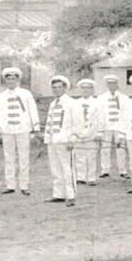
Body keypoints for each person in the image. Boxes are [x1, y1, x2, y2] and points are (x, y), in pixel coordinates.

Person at [0, 66, 37, 195]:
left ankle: (24, 185)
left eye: (14, 79)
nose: (11, 82)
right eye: (8, 79)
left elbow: (32, 110)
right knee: (9, 158)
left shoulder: (26, 93)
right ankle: (10, 185)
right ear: (5, 81)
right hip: (7, 130)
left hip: (23, 129)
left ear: (18, 80)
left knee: (24, 157)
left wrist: (35, 127)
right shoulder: (1, 96)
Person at [42, 75, 79, 206]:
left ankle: (71, 195)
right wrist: (47, 137)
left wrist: (72, 139)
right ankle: (58, 194)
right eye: (54, 87)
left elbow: (77, 123)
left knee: (67, 168)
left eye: (59, 87)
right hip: (53, 140)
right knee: (55, 168)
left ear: (65, 88)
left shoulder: (71, 102)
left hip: (65, 140)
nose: (56, 90)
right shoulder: (53, 103)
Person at [96, 74, 131, 179]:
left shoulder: (124, 98)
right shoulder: (101, 98)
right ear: (107, 85)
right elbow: (100, 114)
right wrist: (100, 130)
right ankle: (105, 170)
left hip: (119, 127)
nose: (111, 86)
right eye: (109, 84)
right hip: (106, 127)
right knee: (105, 149)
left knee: (121, 149)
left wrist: (123, 129)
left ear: (117, 84)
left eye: (114, 84)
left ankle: (123, 171)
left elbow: (126, 114)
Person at [72, 79, 101, 186]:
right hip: (78, 132)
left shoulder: (97, 102)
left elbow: (101, 119)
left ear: (92, 90)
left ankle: (91, 178)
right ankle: (81, 177)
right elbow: (72, 119)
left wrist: (99, 133)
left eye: (88, 88)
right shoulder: (75, 103)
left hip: (92, 132)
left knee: (91, 156)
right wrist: (74, 132)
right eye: (83, 88)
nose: (85, 90)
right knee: (79, 156)